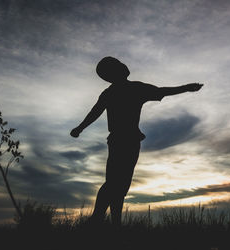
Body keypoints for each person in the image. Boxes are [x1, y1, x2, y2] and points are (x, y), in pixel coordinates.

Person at [70, 56, 203, 226]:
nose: (123, 66)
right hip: (121, 139)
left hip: (129, 139)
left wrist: (185, 88)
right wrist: (80, 128)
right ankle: (97, 217)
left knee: (121, 184)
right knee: (114, 182)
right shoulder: (119, 91)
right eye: (117, 66)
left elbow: (161, 91)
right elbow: (95, 112)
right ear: (113, 73)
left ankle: (113, 222)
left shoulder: (131, 89)